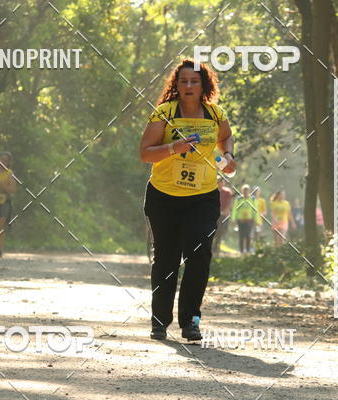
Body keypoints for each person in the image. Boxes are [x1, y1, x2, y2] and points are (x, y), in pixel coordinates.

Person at [140, 58, 235, 341]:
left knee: (199, 255)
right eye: (183, 81)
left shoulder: (215, 114)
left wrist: (228, 156)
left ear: (204, 85)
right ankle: (159, 322)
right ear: (177, 85)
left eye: (195, 81)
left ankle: (191, 321)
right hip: (164, 196)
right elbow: (145, 153)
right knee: (166, 259)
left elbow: (226, 137)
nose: (189, 86)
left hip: (203, 197)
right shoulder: (165, 112)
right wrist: (174, 147)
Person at [211, 177, 234, 255]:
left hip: (223, 215)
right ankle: (212, 247)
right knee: (212, 231)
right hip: (214, 214)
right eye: (218, 182)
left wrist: (226, 210)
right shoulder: (212, 191)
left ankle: (216, 247)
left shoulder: (227, 192)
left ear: (223, 183)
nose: (220, 183)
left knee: (221, 231)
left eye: (221, 182)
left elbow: (230, 202)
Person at [232, 184, 257, 254]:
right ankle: (241, 250)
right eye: (244, 190)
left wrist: (255, 219)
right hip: (240, 220)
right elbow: (235, 210)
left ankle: (248, 250)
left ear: (249, 191)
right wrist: (233, 219)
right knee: (241, 235)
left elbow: (255, 210)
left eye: (247, 190)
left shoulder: (252, 199)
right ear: (242, 191)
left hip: (249, 220)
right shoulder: (239, 199)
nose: (245, 192)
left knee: (248, 235)